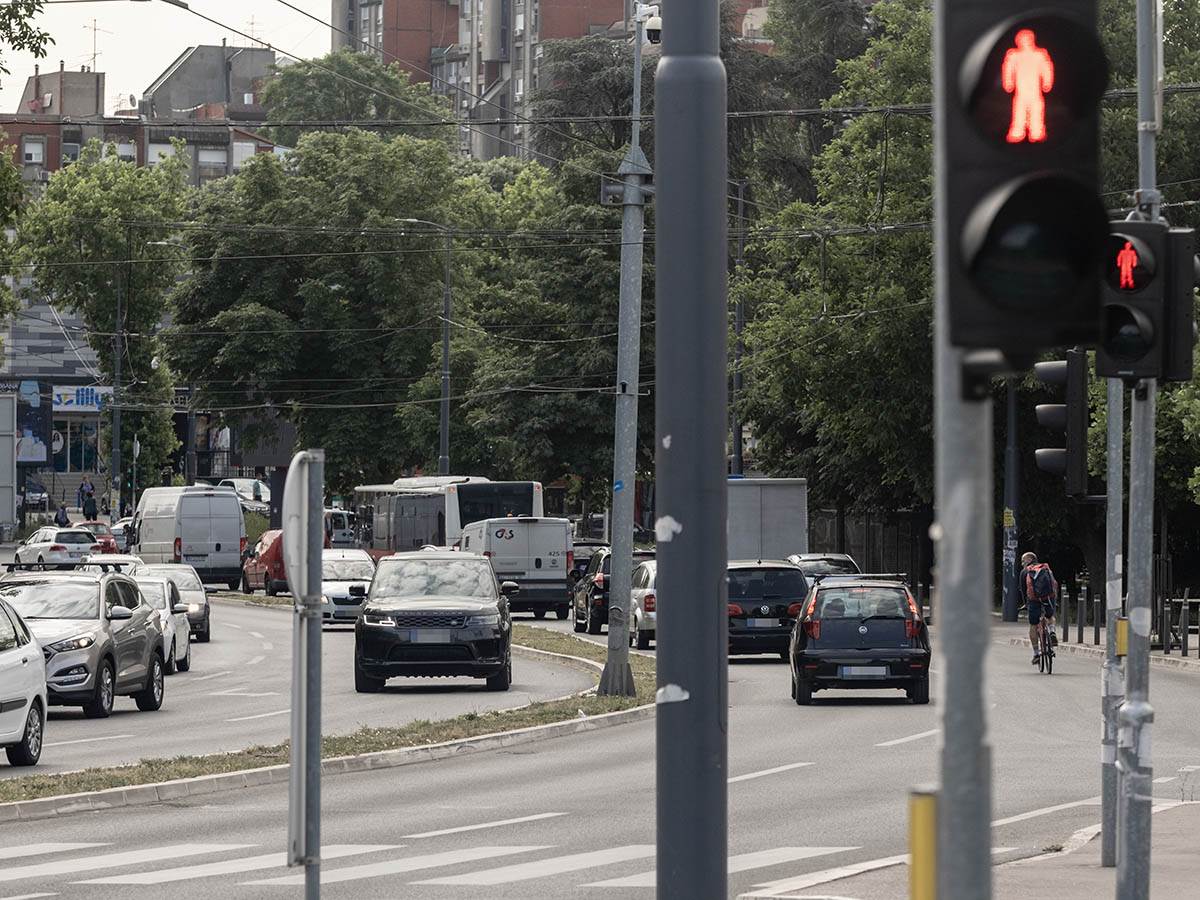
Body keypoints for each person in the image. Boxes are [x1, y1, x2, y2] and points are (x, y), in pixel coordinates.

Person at [1020, 551, 1058, 664]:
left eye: (1023, 560)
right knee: (1050, 616)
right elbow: (1054, 584)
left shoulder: (1024, 572)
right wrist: (1054, 600)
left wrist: (1025, 604)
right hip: (1048, 597)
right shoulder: (1046, 568)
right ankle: (1052, 632)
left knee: (1033, 625)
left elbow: (1023, 590)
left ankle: (1036, 654)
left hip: (1034, 600)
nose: (1022, 563)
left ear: (1029, 559)